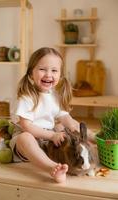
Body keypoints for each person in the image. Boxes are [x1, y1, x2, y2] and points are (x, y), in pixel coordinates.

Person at [10, 47, 95, 183]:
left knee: (63, 126)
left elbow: (67, 119)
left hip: (48, 141)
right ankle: (52, 168)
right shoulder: (27, 97)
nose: (48, 74)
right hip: (29, 140)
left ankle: (97, 141)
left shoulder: (55, 96)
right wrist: (51, 135)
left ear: (60, 76)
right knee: (24, 138)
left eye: (54, 70)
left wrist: (90, 136)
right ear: (31, 73)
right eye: (42, 69)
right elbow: (26, 126)